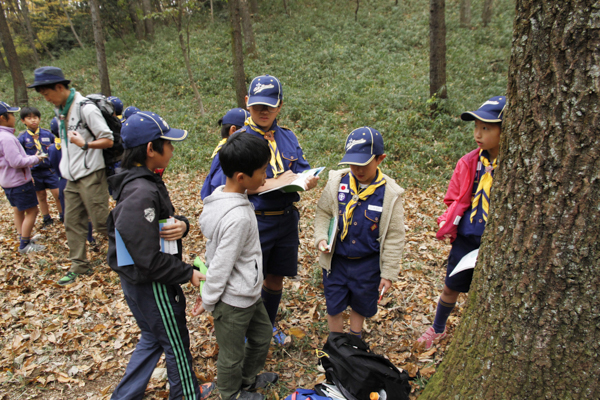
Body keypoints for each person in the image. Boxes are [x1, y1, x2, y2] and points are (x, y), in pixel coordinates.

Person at [200, 75, 319, 344]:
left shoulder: (287, 137)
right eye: (257, 106)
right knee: (248, 281)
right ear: (246, 103)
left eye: (269, 106)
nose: (263, 112)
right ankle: (241, 333)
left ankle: (266, 327)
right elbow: (224, 186)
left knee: (275, 278)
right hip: (253, 222)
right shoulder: (238, 141)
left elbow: (300, 168)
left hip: (286, 219)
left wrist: (306, 180)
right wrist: (273, 183)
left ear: (280, 106)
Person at [107, 111, 214, 400]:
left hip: (142, 281)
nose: (173, 148)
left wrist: (182, 223)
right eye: (167, 143)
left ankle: (125, 396)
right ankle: (187, 395)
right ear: (151, 149)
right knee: (176, 342)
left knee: (154, 337)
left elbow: (154, 224)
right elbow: (147, 258)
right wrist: (187, 273)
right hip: (152, 284)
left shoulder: (144, 181)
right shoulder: (140, 192)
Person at [193, 132, 278, 400]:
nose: (266, 177)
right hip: (232, 301)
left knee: (263, 335)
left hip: (248, 292)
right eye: (263, 171)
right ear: (241, 177)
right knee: (231, 354)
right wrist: (208, 300)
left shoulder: (222, 193)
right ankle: (231, 394)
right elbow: (221, 263)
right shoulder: (238, 217)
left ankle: (248, 379)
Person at [416, 96, 506, 349]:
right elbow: (453, 196)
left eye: (486, 128)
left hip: (499, 239)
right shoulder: (469, 163)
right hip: (468, 237)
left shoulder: (515, 166)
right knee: (451, 286)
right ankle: (438, 327)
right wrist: (450, 219)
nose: (478, 134)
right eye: (476, 127)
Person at [314, 127, 405, 337]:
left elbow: (394, 236)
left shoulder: (390, 194)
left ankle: (355, 340)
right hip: (336, 260)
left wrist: (389, 273)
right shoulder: (337, 183)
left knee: (361, 303)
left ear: (380, 159)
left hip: (367, 263)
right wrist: (321, 238)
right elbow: (324, 212)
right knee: (334, 304)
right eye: (353, 164)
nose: (358, 169)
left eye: (364, 164)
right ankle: (336, 344)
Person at [29, 66, 114, 286]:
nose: (46, 99)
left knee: (101, 223)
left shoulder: (85, 107)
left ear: (59, 87)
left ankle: (130, 255)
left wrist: (85, 144)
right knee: (72, 221)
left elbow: (108, 139)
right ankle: (79, 265)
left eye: (47, 94)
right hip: (71, 177)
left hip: (91, 174)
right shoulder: (61, 110)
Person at [0, 101, 46, 254]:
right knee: (32, 211)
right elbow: (16, 162)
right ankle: (25, 244)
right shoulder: (6, 138)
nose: (13, 117)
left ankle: (23, 237)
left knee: (18, 210)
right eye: (11, 115)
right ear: (3, 118)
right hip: (18, 182)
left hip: (8, 181)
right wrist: (36, 159)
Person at [18, 107, 63, 226]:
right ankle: (46, 218)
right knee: (41, 195)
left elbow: (56, 147)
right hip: (34, 171)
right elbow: (20, 155)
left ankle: (62, 215)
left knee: (58, 194)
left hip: (50, 170)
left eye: (35, 117)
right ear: (23, 121)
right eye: (29, 118)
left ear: (39, 119)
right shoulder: (22, 138)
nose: (33, 120)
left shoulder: (47, 133)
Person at [200, 107, 250, 200]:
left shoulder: (221, 148)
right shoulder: (231, 155)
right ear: (233, 130)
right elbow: (220, 185)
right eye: (248, 131)